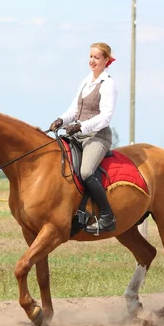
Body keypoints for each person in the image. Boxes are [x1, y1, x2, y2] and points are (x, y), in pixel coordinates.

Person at [49, 42, 117, 235]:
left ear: (106, 60)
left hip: (97, 136)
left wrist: (81, 125)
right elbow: (74, 110)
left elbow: (106, 116)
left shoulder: (108, 83)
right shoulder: (86, 81)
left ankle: (107, 216)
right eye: (90, 57)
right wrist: (61, 120)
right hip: (78, 135)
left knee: (86, 171)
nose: (92, 61)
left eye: (96, 58)